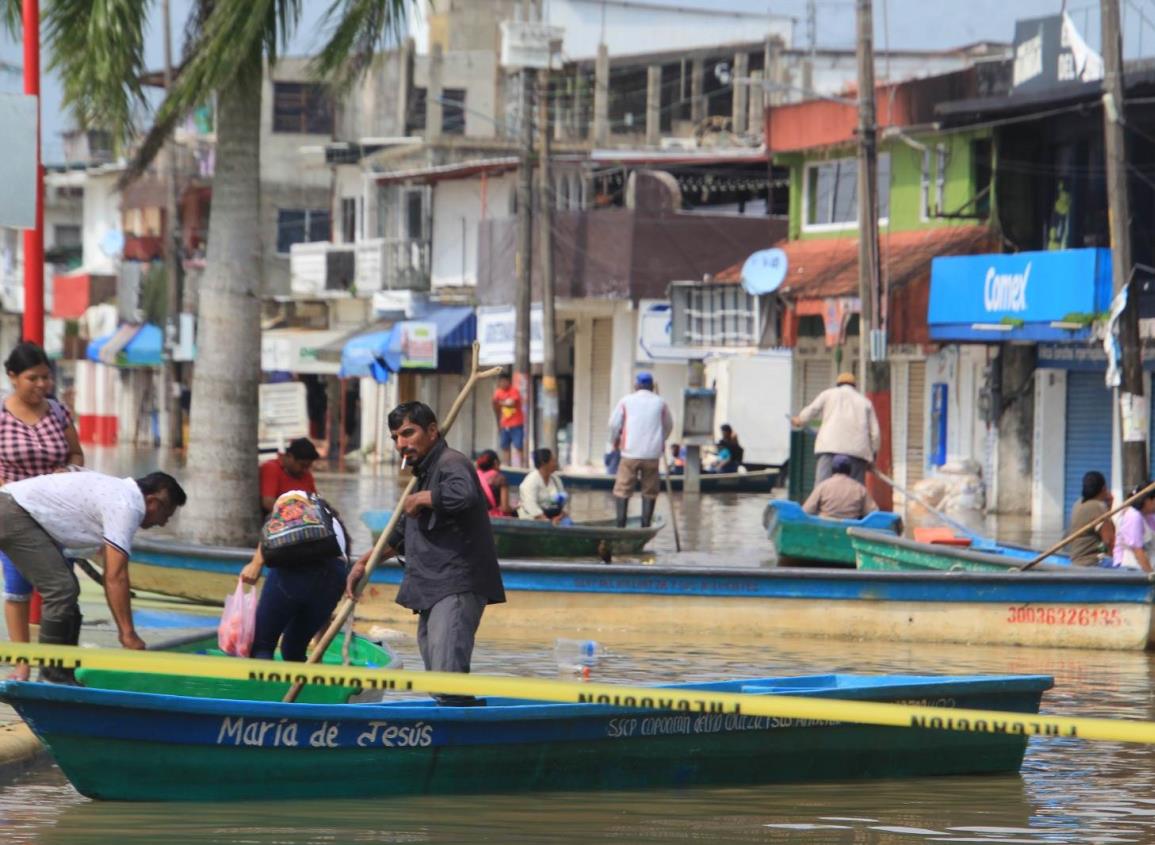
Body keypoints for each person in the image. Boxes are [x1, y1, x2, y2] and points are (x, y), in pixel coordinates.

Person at [345, 401, 505, 705]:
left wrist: (425, 497)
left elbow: (466, 494)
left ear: (432, 431)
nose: (401, 444)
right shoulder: (423, 474)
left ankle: (464, 738)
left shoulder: (450, 463)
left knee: (447, 681)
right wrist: (364, 563)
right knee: (437, 682)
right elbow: (401, 535)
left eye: (408, 433)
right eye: (395, 438)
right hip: (431, 587)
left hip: (455, 585)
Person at [0, 470, 186, 681]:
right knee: (61, 590)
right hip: (13, 512)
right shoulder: (127, 505)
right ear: (153, 502)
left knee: (67, 591)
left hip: (17, 510)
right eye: (166, 516)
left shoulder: (121, 493)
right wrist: (128, 634)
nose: (162, 523)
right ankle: (51, 675)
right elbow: (115, 576)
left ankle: (63, 673)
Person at [0, 342, 85, 679]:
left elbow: (77, 454)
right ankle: (23, 662)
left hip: (57, 512)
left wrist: (69, 470)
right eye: (32, 378)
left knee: (62, 586)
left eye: (45, 378)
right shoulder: (2, 415)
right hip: (13, 512)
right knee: (17, 586)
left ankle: (59, 663)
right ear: (13, 377)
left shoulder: (58, 412)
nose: (41, 385)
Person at [240, 493, 350, 662]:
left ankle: (262, 688)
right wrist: (319, 645)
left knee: (262, 645)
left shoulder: (299, 496)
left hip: (293, 573)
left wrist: (255, 563)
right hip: (333, 578)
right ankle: (305, 686)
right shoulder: (336, 532)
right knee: (293, 649)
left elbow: (278, 522)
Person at [608, 372, 673, 528]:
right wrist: (661, 440)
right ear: (652, 386)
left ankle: (620, 526)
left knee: (622, 489)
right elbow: (669, 425)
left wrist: (615, 440)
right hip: (652, 454)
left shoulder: (626, 401)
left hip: (630, 452)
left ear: (636, 386)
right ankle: (645, 525)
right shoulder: (660, 402)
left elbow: (613, 424)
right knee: (650, 491)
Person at [791, 372, 880, 485]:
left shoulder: (827, 394)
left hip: (829, 448)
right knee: (855, 491)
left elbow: (811, 411)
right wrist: (872, 456)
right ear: (854, 386)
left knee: (822, 488)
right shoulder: (865, 403)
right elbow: (875, 434)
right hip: (857, 452)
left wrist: (800, 420)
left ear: (837, 384)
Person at [801, 454, 879, 520]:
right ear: (850, 470)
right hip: (851, 530)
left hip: (825, 528)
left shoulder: (823, 486)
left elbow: (806, 510)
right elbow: (874, 513)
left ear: (832, 469)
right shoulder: (860, 489)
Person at [1066, 471, 1115, 567]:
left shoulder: (1078, 503)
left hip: (1076, 561)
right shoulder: (1098, 507)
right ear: (1103, 489)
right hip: (1092, 563)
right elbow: (1109, 541)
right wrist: (1109, 559)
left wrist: (1108, 508)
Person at [259, 437, 318, 515]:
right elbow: (268, 503)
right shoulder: (272, 468)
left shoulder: (305, 474)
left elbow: (315, 501)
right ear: (289, 456)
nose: (305, 470)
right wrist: (296, 515)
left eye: (308, 467)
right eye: (302, 465)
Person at [518, 448, 571, 525]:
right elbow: (531, 506)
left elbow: (562, 502)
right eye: (553, 461)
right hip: (532, 519)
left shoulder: (556, 480)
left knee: (567, 522)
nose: (556, 463)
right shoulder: (530, 481)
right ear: (544, 463)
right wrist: (547, 521)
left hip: (553, 516)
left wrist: (559, 517)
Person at [1112, 486, 1155, 571]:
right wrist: (1151, 574)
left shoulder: (1149, 515)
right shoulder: (1133, 516)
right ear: (1148, 500)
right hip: (1130, 568)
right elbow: (1137, 550)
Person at [491, 373, 524, 468]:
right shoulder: (498, 392)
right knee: (505, 446)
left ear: (508, 381)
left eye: (504, 381)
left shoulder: (514, 391)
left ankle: (521, 466)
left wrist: (499, 402)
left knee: (518, 446)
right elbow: (494, 404)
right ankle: (507, 465)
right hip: (504, 424)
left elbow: (511, 403)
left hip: (516, 423)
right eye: (500, 381)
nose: (502, 383)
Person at [476, 450, 514, 518]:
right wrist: (515, 508)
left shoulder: (474, 476)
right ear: (496, 463)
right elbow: (504, 508)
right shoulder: (500, 479)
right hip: (494, 519)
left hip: (477, 517)